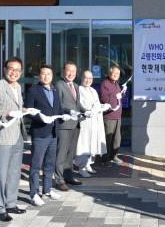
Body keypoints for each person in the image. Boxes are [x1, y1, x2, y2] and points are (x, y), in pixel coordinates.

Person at [0, 57, 29, 222]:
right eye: (11, 69)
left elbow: (15, 107)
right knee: (0, 174)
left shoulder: (17, 86)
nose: (14, 72)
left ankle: (11, 203)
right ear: (4, 69)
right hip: (3, 135)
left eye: (17, 70)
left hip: (17, 134)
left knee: (14, 172)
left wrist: (23, 110)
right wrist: (9, 113)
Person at [24, 64, 64, 206]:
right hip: (40, 132)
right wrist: (41, 117)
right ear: (39, 76)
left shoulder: (55, 90)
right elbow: (29, 111)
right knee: (36, 165)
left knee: (49, 163)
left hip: (53, 132)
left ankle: (47, 190)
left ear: (52, 76)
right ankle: (34, 193)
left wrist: (65, 116)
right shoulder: (33, 91)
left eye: (49, 74)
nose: (46, 76)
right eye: (43, 74)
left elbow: (58, 109)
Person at [55, 62, 88, 190]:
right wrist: (69, 111)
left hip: (75, 124)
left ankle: (68, 176)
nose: (71, 73)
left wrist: (86, 111)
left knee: (70, 154)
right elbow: (59, 105)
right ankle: (59, 180)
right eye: (69, 71)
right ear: (64, 71)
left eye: (73, 71)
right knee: (61, 154)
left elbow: (77, 104)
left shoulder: (75, 86)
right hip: (64, 125)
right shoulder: (59, 85)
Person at [75, 70, 107, 177]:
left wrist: (102, 106)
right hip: (85, 122)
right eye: (86, 78)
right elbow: (80, 105)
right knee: (84, 144)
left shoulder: (93, 90)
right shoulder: (78, 90)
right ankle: (81, 167)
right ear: (81, 78)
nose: (88, 80)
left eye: (90, 78)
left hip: (95, 121)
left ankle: (88, 164)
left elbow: (96, 104)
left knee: (92, 143)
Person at [99, 66, 126, 167]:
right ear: (109, 73)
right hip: (108, 116)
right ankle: (105, 158)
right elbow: (104, 99)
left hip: (117, 115)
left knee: (116, 138)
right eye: (114, 73)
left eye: (118, 74)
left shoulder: (116, 84)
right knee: (107, 138)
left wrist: (122, 93)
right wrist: (116, 96)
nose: (116, 75)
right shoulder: (105, 84)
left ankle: (113, 155)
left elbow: (118, 98)